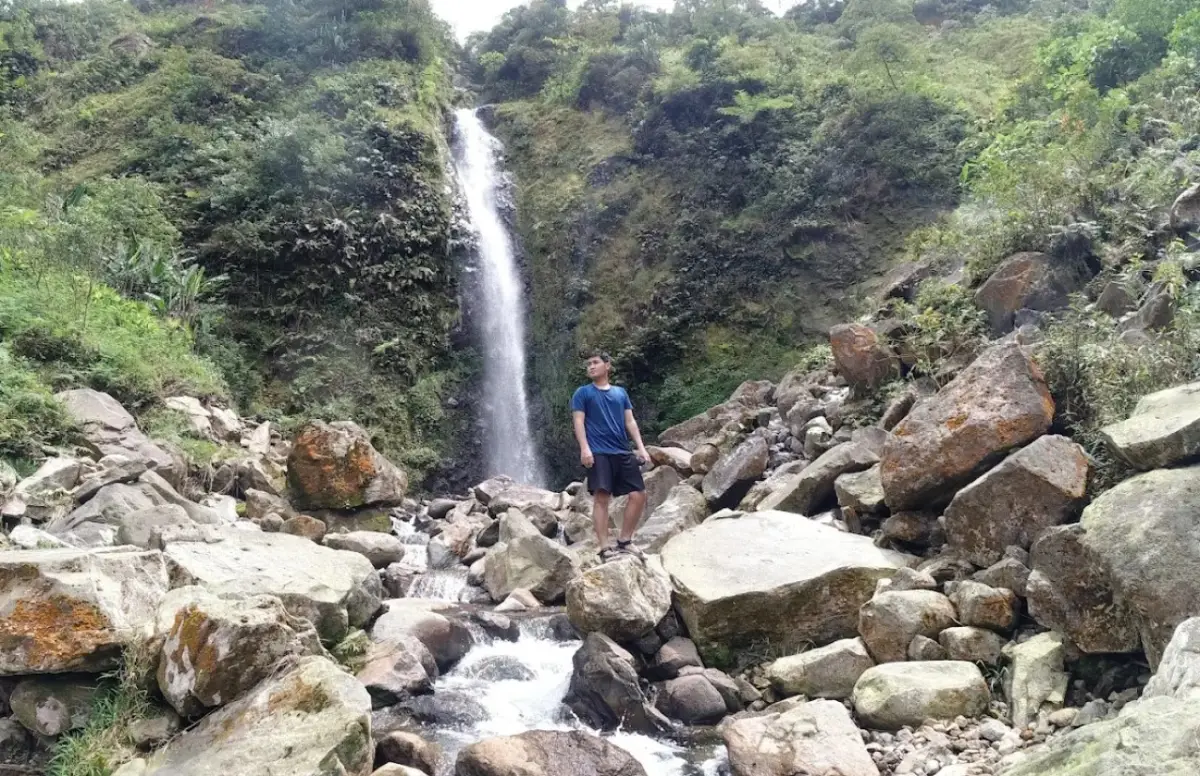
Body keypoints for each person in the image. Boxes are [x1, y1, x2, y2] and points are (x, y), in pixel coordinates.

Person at [571, 350, 651, 561]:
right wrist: (585, 448)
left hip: (622, 450)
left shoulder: (620, 393)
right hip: (598, 451)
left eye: (595, 362)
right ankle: (604, 547)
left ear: (607, 365)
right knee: (602, 497)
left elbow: (630, 421)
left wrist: (641, 448)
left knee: (639, 494)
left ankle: (625, 541)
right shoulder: (583, 393)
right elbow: (578, 421)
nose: (591, 366)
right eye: (588, 364)